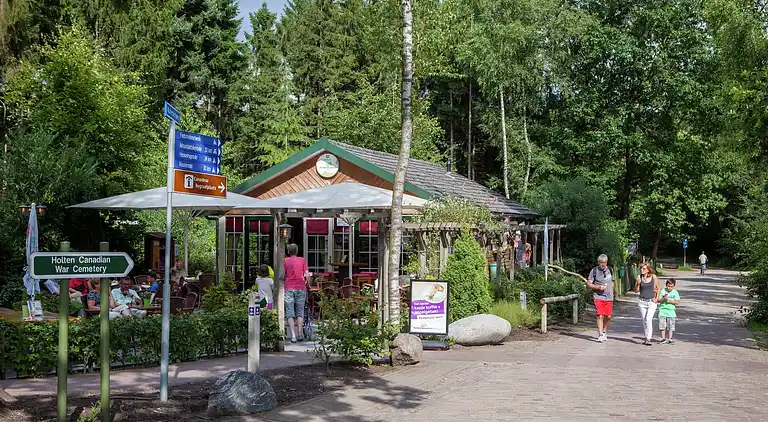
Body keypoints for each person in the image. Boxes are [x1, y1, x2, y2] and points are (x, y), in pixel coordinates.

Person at [284, 243, 309, 343]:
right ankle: (300, 334)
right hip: (301, 287)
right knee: (300, 311)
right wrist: (307, 283)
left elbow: (282, 274)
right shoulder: (302, 260)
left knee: (290, 311)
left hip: (289, 287)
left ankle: (293, 335)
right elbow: (307, 275)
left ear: (288, 252)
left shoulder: (285, 261)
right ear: (297, 251)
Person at [587, 254, 614, 343]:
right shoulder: (594, 271)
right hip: (598, 296)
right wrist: (598, 287)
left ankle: (604, 330)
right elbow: (589, 283)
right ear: (598, 262)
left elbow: (612, 282)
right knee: (600, 315)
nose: (603, 264)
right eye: (601, 262)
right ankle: (600, 334)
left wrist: (612, 293)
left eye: (605, 262)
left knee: (608, 316)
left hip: (609, 297)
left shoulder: (610, 270)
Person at [634, 262, 660, 345]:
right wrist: (638, 283)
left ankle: (649, 338)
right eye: (641, 268)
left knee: (648, 319)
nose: (642, 270)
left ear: (648, 270)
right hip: (642, 302)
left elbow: (658, 288)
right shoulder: (639, 277)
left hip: (651, 302)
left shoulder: (653, 277)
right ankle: (646, 337)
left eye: (644, 268)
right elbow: (636, 290)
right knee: (644, 320)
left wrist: (656, 298)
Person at [658, 278, 681, 344]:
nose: (669, 288)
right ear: (666, 285)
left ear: (673, 286)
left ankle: (670, 338)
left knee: (671, 326)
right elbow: (658, 300)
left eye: (671, 286)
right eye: (668, 286)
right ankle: (663, 338)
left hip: (671, 312)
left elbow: (677, 302)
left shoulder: (675, 292)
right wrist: (663, 299)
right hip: (663, 310)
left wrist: (670, 301)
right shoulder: (663, 291)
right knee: (662, 325)